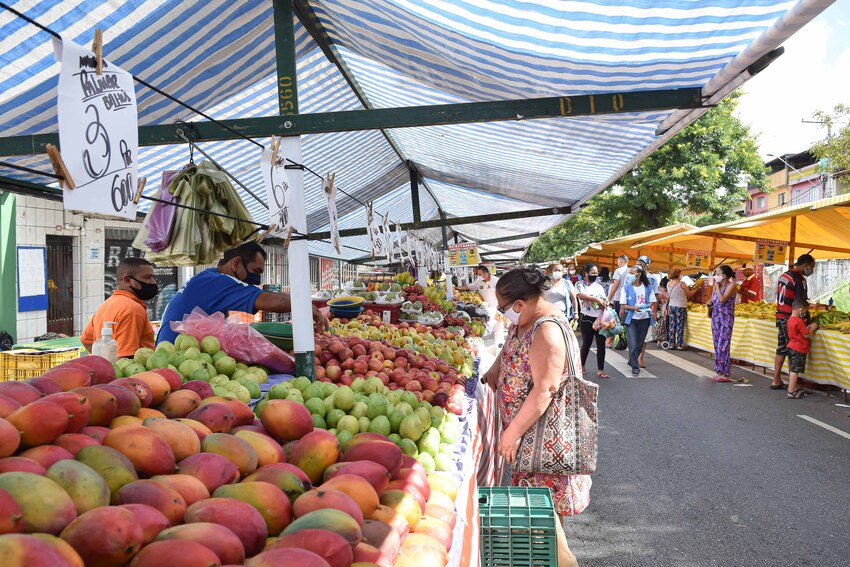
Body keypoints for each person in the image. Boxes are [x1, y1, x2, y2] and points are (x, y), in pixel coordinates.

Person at [480, 266, 586, 567]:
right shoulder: (526, 322)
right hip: (528, 439)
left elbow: (546, 389)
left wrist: (511, 433)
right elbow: (513, 344)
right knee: (535, 519)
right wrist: (496, 368)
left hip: (544, 441)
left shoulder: (547, 330)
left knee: (544, 521)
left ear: (519, 304)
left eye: (503, 308)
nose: (503, 315)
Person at [157, 241, 327, 344]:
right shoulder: (218, 282)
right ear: (236, 263)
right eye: (256, 271)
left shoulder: (208, 277)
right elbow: (268, 300)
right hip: (176, 359)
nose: (257, 279)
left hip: (182, 355)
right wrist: (305, 306)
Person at [82, 258, 158, 358]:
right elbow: (126, 359)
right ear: (127, 280)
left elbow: (86, 340)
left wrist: (105, 361)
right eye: (147, 277)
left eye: (153, 277)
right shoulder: (133, 309)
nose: (152, 282)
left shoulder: (106, 304)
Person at [770, 254, 816, 390]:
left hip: (780, 315)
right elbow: (800, 302)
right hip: (791, 317)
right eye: (811, 267)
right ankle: (793, 385)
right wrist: (807, 318)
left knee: (781, 348)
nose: (811, 270)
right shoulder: (799, 279)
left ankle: (776, 379)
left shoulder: (784, 275)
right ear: (805, 265)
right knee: (792, 349)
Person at [575, 263, 611, 379]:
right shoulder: (579, 284)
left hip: (599, 318)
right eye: (593, 273)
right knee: (587, 343)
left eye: (596, 273)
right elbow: (580, 296)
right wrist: (596, 299)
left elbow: (604, 299)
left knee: (601, 344)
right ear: (586, 273)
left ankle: (601, 369)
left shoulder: (598, 286)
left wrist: (604, 303)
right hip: (586, 318)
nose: (595, 275)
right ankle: (582, 365)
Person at [619, 265, 656, 376]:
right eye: (630, 273)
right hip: (631, 319)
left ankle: (632, 360)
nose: (630, 275)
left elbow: (652, 301)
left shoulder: (648, 287)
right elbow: (623, 305)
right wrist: (634, 308)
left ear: (639, 274)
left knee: (640, 344)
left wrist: (647, 307)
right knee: (633, 344)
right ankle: (635, 367)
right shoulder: (626, 288)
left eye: (633, 272)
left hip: (644, 319)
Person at [708, 265, 738, 382]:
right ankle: (719, 371)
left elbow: (722, 299)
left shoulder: (732, 285)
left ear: (724, 276)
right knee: (717, 344)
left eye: (718, 273)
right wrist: (709, 303)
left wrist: (717, 287)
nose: (716, 276)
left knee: (723, 344)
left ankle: (725, 373)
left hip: (726, 318)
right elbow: (713, 300)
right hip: (716, 317)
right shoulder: (718, 286)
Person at [461, 265, 502, 344]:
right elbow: (470, 287)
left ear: (486, 274)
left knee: (497, 327)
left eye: (480, 275)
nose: (478, 277)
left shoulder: (496, 281)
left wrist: (500, 308)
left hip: (496, 307)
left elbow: (503, 294)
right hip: (484, 307)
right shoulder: (479, 281)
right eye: (478, 275)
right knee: (488, 326)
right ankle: (489, 343)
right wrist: (458, 288)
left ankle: (497, 344)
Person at [785, 299, 818, 399]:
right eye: (805, 311)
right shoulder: (799, 321)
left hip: (791, 346)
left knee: (792, 369)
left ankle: (792, 387)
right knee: (795, 370)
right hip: (798, 348)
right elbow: (806, 335)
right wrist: (811, 329)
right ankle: (791, 391)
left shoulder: (790, 320)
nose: (804, 313)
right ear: (801, 310)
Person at [665, 268, 700, 350]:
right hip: (680, 306)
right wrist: (697, 288)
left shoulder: (668, 283)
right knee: (680, 325)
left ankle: (671, 344)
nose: (682, 275)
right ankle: (680, 345)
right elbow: (689, 294)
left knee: (672, 325)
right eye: (681, 273)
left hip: (671, 306)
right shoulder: (682, 284)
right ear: (678, 274)